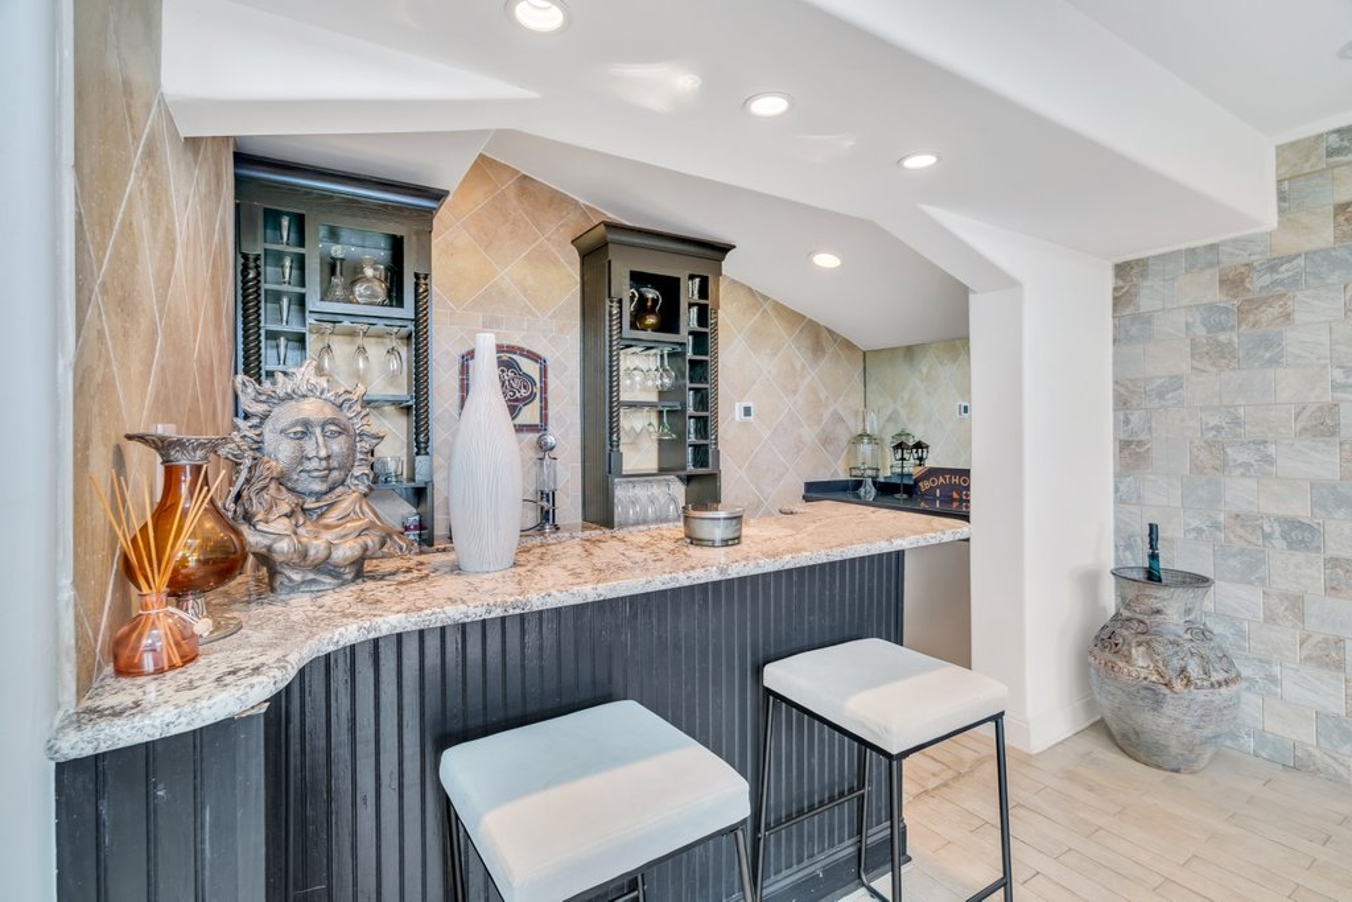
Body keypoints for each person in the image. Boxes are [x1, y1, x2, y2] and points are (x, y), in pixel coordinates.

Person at [224, 360, 413, 594]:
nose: (321, 452)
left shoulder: (354, 505)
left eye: (333, 433)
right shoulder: (263, 504)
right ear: (260, 445)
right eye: (298, 434)